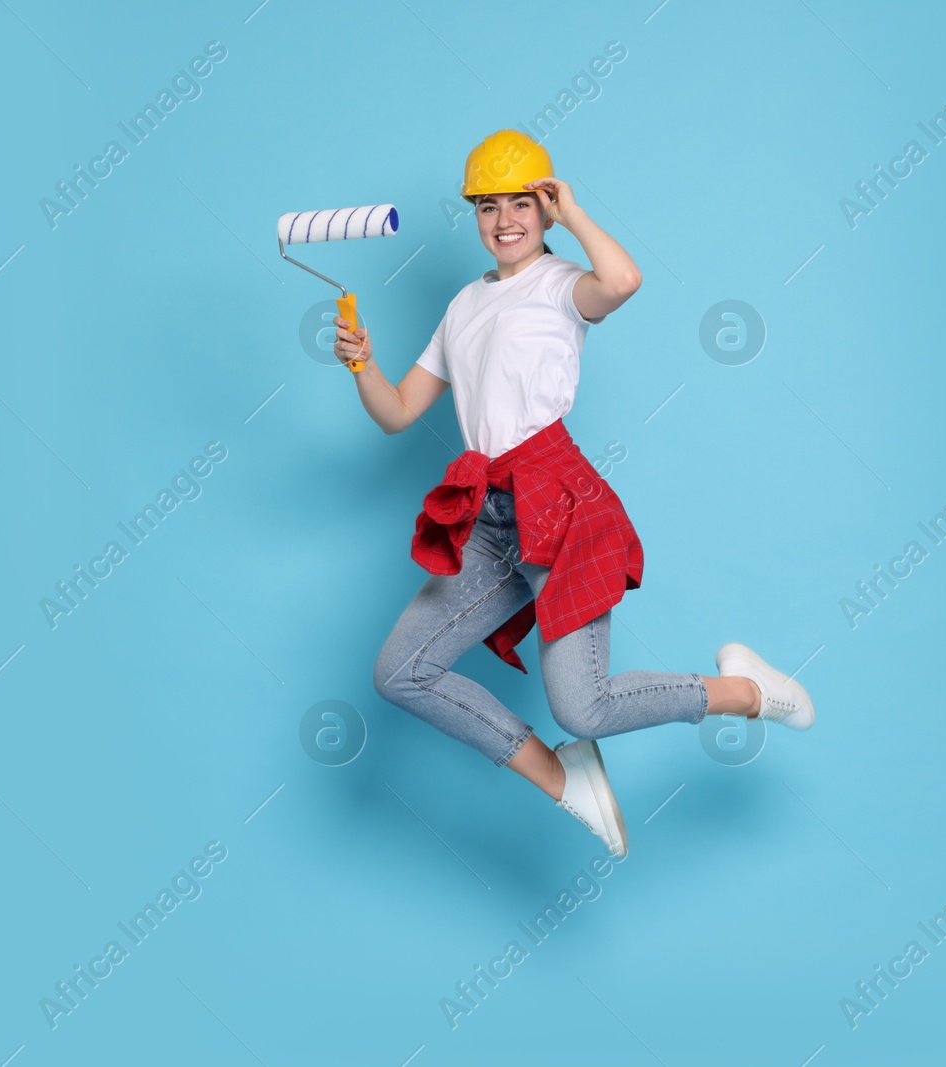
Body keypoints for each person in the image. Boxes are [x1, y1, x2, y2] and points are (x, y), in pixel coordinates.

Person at [337, 130, 815, 858]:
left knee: (582, 705)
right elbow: (400, 410)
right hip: (490, 514)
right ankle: (561, 774)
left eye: (523, 202)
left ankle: (746, 691)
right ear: (474, 213)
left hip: (558, 501)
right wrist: (363, 363)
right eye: (488, 205)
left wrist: (578, 214)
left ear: (547, 206)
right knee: (400, 670)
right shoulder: (464, 305)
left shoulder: (562, 285)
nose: (505, 220)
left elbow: (622, 281)